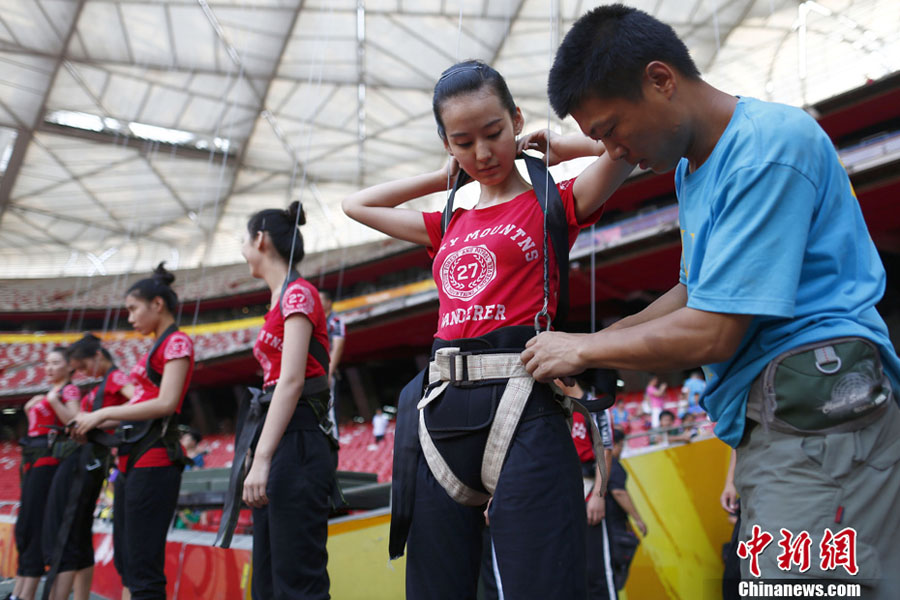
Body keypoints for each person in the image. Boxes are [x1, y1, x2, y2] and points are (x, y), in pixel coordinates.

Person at [522, 4, 900, 594]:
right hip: (783, 421)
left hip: (816, 416)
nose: (613, 152)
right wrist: (600, 343)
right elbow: (698, 289)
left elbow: (714, 328)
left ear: (661, 79)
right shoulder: (694, 165)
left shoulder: (767, 148)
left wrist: (588, 346)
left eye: (610, 129)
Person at [343, 59, 632, 599]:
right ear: (447, 145)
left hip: (524, 402)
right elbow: (355, 204)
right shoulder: (447, 221)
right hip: (439, 413)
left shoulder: (554, 201)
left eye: (494, 133)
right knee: (436, 589)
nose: (482, 153)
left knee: (541, 585)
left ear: (517, 119)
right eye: (462, 141)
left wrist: (565, 147)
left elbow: (625, 148)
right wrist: (441, 178)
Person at [72, 263, 194, 600]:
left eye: (133, 308)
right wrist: (91, 421)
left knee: (142, 567)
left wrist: (103, 413)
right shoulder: (153, 350)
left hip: (153, 462)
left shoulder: (177, 342)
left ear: (157, 304)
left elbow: (167, 403)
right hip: (133, 463)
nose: (129, 317)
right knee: (129, 562)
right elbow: (138, 411)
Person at [240, 201, 335, 599]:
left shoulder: (298, 294)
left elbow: (292, 379)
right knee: (268, 581)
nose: (242, 249)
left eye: (244, 240)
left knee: (297, 581)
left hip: (296, 441)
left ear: (260, 240)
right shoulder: (282, 297)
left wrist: (262, 457)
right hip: (281, 438)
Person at [42, 335, 132, 600]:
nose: (81, 373)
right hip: (88, 457)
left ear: (97, 357)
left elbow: (138, 399)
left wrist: (100, 419)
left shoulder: (115, 378)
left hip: (88, 460)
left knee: (66, 532)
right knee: (76, 533)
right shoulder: (102, 384)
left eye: (83, 366)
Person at [10, 348, 80, 600]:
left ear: (69, 366)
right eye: (46, 363)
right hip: (34, 461)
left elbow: (75, 422)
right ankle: (20, 592)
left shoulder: (67, 391)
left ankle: (25, 593)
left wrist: (52, 402)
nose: (48, 368)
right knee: (26, 527)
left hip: (48, 462)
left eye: (55, 363)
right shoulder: (49, 392)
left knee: (35, 525)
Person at [560, 377, 617, 600]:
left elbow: (606, 451)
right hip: (562, 497)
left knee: (597, 571)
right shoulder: (555, 407)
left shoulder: (595, 406)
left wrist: (598, 495)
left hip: (588, 491)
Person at [605, 428, 646, 591]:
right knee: (615, 576)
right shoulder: (613, 465)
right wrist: (638, 519)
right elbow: (619, 492)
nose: (621, 450)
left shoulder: (600, 463)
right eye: (621, 445)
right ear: (615, 444)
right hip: (613, 527)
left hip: (607, 524)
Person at [319, 290, 344, 440]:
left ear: (328, 302)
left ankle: (333, 442)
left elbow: (338, 346)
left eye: (320, 299)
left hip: (326, 372)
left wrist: (329, 371)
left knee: (329, 409)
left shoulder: (335, 321)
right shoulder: (317, 322)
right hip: (317, 372)